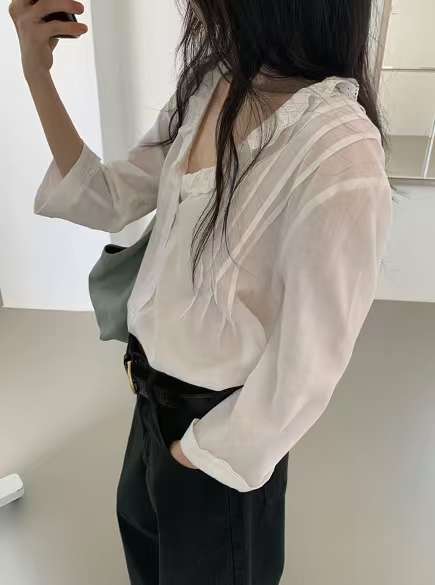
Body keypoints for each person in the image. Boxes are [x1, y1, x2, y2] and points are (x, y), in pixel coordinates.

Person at [10, 0, 394, 584]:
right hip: (149, 409)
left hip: (217, 441)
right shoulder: (211, 85)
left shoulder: (338, 151)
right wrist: (37, 75)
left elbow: (306, 368)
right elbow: (109, 198)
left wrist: (198, 454)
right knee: (146, 562)